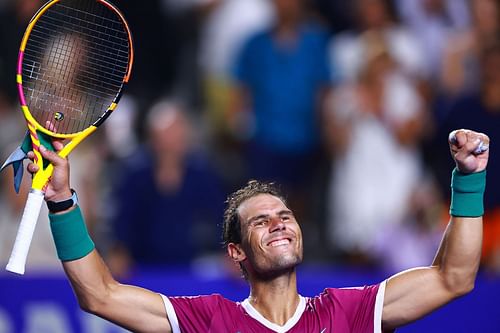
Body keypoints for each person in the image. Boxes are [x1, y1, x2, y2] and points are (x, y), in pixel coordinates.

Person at [26, 128, 488, 332]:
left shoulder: (351, 314)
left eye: (285, 216)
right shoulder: (208, 322)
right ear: (236, 252)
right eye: (261, 222)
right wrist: (62, 201)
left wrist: (468, 179)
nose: (279, 224)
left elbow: (454, 277)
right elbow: (100, 296)